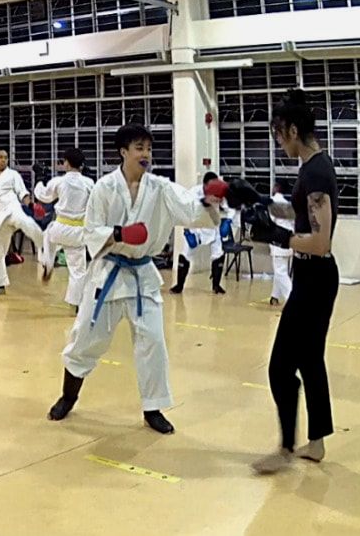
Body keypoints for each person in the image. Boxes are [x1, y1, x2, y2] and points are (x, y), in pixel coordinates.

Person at [46, 124, 226, 434]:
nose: (145, 154)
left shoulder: (160, 188)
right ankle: (68, 396)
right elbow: (91, 232)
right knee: (86, 339)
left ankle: (152, 408)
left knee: (153, 342)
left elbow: (189, 209)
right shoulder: (104, 187)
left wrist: (210, 201)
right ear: (123, 151)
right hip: (107, 276)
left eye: (148, 149)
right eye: (139, 148)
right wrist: (119, 234)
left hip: (143, 275)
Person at [230, 89, 340, 474]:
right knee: (310, 360)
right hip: (313, 275)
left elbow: (321, 240)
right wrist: (258, 198)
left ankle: (285, 448)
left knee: (280, 367)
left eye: (279, 134)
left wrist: (275, 236)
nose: (278, 142)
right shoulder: (313, 168)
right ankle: (317, 443)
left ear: (293, 129)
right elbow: (300, 213)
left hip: (316, 276)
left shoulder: (316, 172)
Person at [0, 149, 45, 295]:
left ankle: (46, 246)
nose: (3, 160)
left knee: (26, 222)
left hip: (12, 211)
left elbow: (23, 193)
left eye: (5, 158)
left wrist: (31, 205)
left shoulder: (13, 175)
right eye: (0, 157)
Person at [34, 148, 94, 312]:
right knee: (78, 270)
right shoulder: (89, 183)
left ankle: (48, 262)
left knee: (46, 236)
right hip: (78, 232)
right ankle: (75, 304)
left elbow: (43, 196)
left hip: (59, 228)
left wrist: (39, 179)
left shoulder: (59, 181)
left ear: (66, 163)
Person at [169, 171, 230, 295]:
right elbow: (185, 210)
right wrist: (187, 230)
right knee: (185, 255)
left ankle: (216, 286)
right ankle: (179, 286)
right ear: (205, 184)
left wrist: (227, 221)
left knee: (218, 254)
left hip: (213, 228)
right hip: (196, 229)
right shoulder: (193, 193)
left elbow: (229, 208)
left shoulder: (220, 193)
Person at [268, 181, 295, 306]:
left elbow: (269, 221)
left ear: (277, 188)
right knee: (281, 269)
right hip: (289, 240)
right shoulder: (288, 204)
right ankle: (275, 296)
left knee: (280, 272)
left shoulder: (273, 202)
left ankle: (292, 300)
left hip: (278, 241)